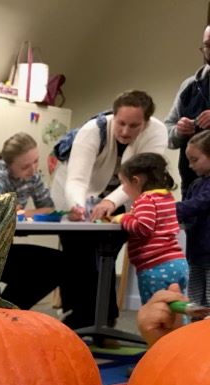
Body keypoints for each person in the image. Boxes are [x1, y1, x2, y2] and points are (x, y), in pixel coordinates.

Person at [51, 90, 169, 330]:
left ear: (145, 123)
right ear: (113, 116)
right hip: (80, 191)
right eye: (121, 123)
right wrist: (78, 206)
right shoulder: (93, 131)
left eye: (134, 126)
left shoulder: (156, 132)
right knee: (77, 249)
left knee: (107, 253)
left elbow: (141, 178)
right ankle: (81, 314)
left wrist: (111, 202)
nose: (125, 132)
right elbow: (77, 179)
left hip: (124, 196)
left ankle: (104, 315)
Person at [0, 132, 71, 310]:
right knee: (43, 268)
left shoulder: (32, 176)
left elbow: (49, 209)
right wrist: (13, 211)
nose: (33, 170)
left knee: (60, 263)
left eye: (36, 161)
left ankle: (3, 313)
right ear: (9, 166)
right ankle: (2, 314)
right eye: (25, 166)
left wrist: (22, 211)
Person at [113, 153, 188, 304]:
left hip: (156, 267)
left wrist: (123, 218)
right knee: (176, 307)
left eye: (123, 183)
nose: (124, 190)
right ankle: (181, 328)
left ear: (135, 181)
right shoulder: (166, 197)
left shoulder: (146, 199)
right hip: (176, 263)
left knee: (155, 309)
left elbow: (143, 227)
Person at [164, 24, 210, 196]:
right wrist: (179, 131)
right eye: (208, 45)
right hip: (193, 185)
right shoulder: (190, 86)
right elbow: (168, 134)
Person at [176, 130, 210, 305]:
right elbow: (186, 210)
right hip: (196, 252)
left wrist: (166, 208)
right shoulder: (196, 184)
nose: (190, 165)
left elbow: (199, 204)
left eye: (195, 160)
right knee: (195, 300)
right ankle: (195, 328)